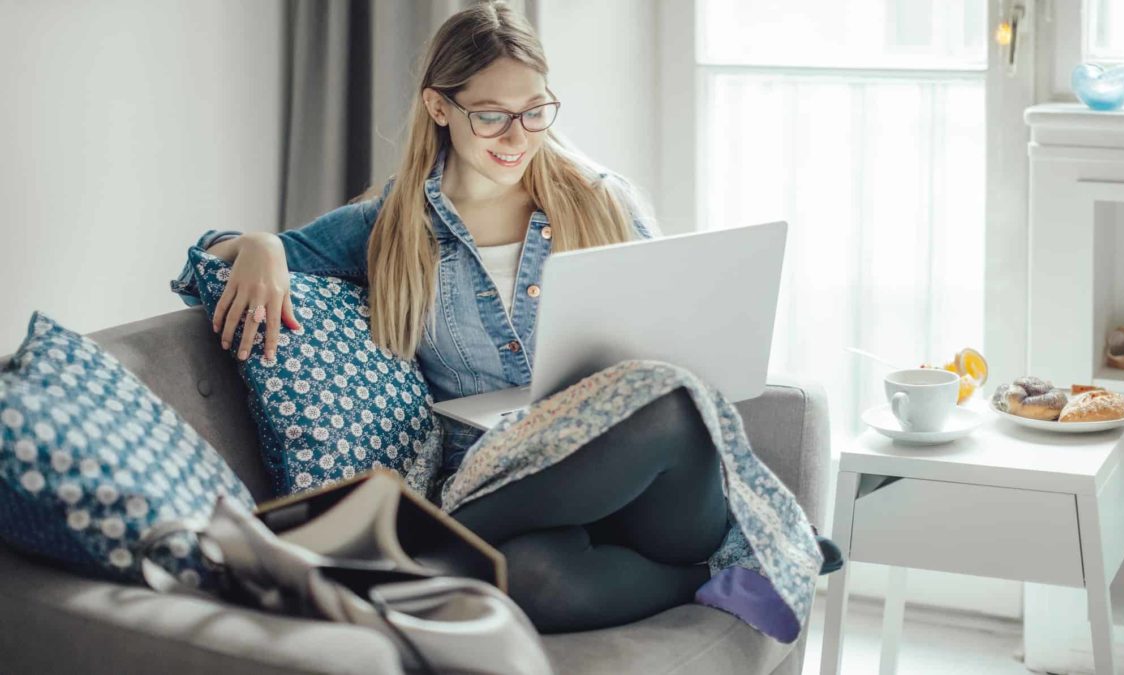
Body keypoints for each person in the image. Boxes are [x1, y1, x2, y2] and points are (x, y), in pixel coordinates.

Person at [175, 1, 838, 635]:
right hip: (513, 488)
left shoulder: (601, 200)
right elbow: (207, 263)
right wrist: (260, 244)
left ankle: (393, 555)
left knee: (667, 406)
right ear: (440, 107)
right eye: (492, 116)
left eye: (535, 111)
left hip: (650, 486)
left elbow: (671, 347)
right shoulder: (391, 225)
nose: (518, 137)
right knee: (524, 580)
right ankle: (718, 574)